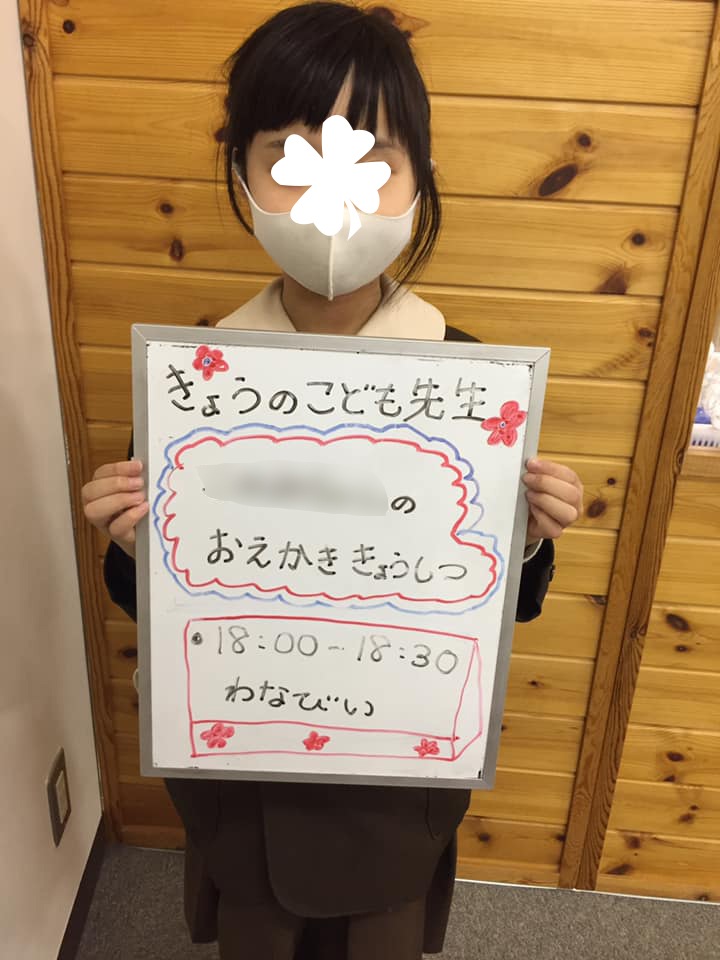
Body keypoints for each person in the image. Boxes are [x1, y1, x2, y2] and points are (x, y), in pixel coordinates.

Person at [81, 3, 584, 957]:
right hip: (247, 742)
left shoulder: (471, 383)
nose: (333, 195)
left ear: (418, 177)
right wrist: (132, 539)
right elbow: (140, 595)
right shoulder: (197, 380)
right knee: (256, 920)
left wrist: (526, 538)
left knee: (381, 920)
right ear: (241, 170)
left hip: (392, 756)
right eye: (290, 154)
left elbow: (504, 608)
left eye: (371, 158)